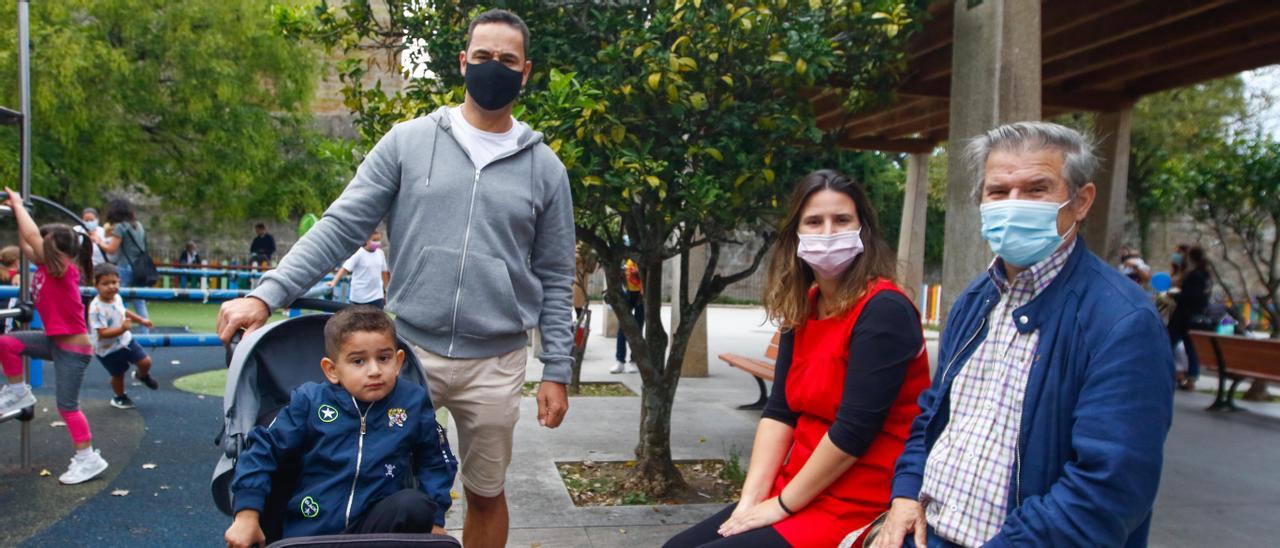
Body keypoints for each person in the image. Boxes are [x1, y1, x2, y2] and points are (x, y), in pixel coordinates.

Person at [216, 10, 574, 548]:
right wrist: (268, 293)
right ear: (463, 62)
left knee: (485, 491)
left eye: (507, 60)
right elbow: (341, 225)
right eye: (482, 57)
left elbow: (555, 272)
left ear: (525, 72)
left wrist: (557, 368)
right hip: (407, 354)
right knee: (389, 490)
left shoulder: (545, 168)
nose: (493, 68)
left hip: (495, 361)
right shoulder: (408, 142)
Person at [872, 122, 1174, 548]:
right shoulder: (977, 299)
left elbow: (1107, 491)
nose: (1013, 205)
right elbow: (933, 414)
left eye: (1036, 189)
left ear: (1081, 201)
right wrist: (905, 493)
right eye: (998, 191)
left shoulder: (1123, 323)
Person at [666, 170, 930, 548]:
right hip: (799, 486)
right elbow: (780, 411)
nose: (827, 233)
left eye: (841, 220)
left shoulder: (883, 309)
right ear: (796, 235)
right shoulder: (804, 306)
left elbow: (854, 430)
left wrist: (782, 507)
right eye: (814, 222)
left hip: (855, 498)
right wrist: (752, 500)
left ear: (863, 231)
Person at [224, 306, 456, 547]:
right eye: (358, 361)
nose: (374, 370)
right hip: (310, 529)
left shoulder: (411, 403)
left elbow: (435, 461)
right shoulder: (310, 402)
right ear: (332, 370)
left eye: (384, 358)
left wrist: (435, 519)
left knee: (413, 504)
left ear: (398, 362)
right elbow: (263, 450)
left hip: (375, 529)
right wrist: (247, 514)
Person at [0, 188, 107, 485]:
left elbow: (33, 239)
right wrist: (21, 214)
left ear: (58, 251)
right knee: (6, 343)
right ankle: (18, 391)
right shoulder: (46, 267)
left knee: (67, 406)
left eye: (45, 243)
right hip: (54, 342)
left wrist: (19, 205)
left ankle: (88, 459)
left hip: (73, 351)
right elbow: (28, 242)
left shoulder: (64, 272)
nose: (39, 246)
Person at [89, 263, 157, 410]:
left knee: (145, 362)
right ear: (96, 285)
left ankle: (141, 375)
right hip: (108, 349)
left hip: (126, 341)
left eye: (114, 282)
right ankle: (119, 397)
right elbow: (102, 333)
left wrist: (141, 320)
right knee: (118, 374)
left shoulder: (117, 297)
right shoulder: (96, 308)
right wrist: (122, 329)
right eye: (105, 284)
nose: (111, 287)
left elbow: (123, 311)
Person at [98, 198, 151, 333]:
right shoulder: (138, 225)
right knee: (139, 301)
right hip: (139, 267)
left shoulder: (121, 227)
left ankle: (119, 329)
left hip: (125, 266)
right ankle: (146, 332)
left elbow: (111, 248)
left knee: (117, 299)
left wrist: (98, 241)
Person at [1168, 245, 1212, 390]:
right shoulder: (1205, 275)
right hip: (1194, 316)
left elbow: (1191, 296)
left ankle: (1167, 372)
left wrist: (1175, 295)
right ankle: (1191, 377)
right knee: (1190, 347)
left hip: (1183, 315)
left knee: (1169, 343)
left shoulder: (1195, 275)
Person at [327, 231, 390, 308]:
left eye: (378, 240)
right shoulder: (358, 253)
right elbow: (345, 269)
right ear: (367, 240)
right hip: (359, 298)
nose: (377, 243)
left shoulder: (380, 253)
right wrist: (334, 282)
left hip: (377, 297)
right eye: (374, 240)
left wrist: (387, 290)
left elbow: (384, 272)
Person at [612, 253, 642, 374]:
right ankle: (620, 361)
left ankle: (634, 361)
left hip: (641, 293)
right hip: (628, 293)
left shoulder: (643, 255)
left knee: (638, 327)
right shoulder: (625, 258)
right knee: (622, 327)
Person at [572, 241, 596, 320]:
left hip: (576, 283)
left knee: (576, 307)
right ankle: (579, 324)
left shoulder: (577, 256)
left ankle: (577, 326)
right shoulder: (585, 257)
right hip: (581, 282)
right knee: (578, 308)